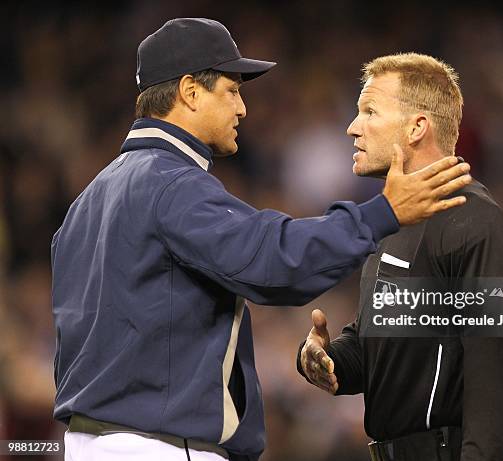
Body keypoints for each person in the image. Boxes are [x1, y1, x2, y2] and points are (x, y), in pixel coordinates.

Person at [51, 20, 472, 461]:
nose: (242, 108)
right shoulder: (170, 183)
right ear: (191, 92)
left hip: (90, 444)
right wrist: (381, 213)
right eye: (231, 90)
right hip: (161, 445)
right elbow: (275, 260)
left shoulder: (87, 201)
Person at [297, 53, 503, 461]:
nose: (353, 128)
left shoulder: (478, 224)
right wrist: (332, 360)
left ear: (417, 126)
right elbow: (394, 341)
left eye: (370, 111)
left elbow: (493, 384)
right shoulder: (396, 219)